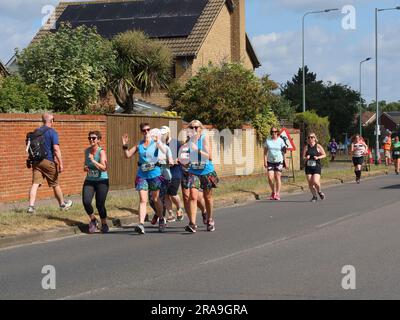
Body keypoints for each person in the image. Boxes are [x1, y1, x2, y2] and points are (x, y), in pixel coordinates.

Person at [122, 123, 166, 234]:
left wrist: (158, 142)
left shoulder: (155, 143)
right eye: (144, 130)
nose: (146, 132)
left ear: (150, 131)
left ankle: (161, 218)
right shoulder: (139, 145)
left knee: (156, 199)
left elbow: (164, 152)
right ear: (141, 132)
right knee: (143, 200)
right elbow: (127, 155)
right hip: (142, 175)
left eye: (148, 130)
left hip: (155, 175)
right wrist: (125, 146)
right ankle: (141, 224)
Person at [27, 113, 73, 214]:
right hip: (48, 161)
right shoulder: (52, 132)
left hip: (36, 162)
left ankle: (31, 207)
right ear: (51, 120)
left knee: (35, 184)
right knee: (55, 184)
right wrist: (61, 163)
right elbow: (56, 149)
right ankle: (62, 204)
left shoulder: (37, 131)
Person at [186, 120, 219, 233]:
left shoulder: (204, 138)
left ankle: (209, 219)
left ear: (200, 128)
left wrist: (197, 150)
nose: (194, 129)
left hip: (206, 171)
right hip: (194, 171)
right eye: (192, 127)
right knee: (192, 196)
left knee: (207, 197)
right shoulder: (189, 140)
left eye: (196, 127)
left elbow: (209, 157)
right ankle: (192, 223)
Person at [82, 131, 109, 233]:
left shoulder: (101, 152)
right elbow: (85, 165)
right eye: (89, 138)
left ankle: (104, 224)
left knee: (100, 204)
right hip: (90, 180)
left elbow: (104, 168)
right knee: (86, 202)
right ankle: (93, 220)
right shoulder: (87, 151)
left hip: (102, 181)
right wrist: (85, 168)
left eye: (93, 138)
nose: (91, 140)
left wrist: (93, 161)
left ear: (99, 140)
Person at [178, 134, 208, 225]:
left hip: (195, 173)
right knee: (186, 197)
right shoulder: (183, 147)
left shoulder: (198, 146)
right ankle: (192, 221)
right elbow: (181, 159)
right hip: (185, 173)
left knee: (197, 197)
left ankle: (204, 210)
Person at [264, 127, 286, 200]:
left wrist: (285, 161)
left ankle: (277, 193)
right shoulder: (268, 140)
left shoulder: (281, 141)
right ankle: (273, 192)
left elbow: (284, 152)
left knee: (277, 177)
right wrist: (265, 161)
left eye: (275, 131)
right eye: (272, 132)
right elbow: (265, 152)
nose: (274, 133)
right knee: (270, 178)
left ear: (277, 132)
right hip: (270, 161)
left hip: (279, 161)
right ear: (271, 132)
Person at [303, 133, 326, 202]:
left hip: (316, 166)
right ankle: (314, 196)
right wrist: (306, 157)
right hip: (308, 167)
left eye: (312, 137)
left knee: (316, 181)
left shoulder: (318, 146)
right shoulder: (306, 147)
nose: (310, 139)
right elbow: (303, 157)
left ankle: (319, 192)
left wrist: (318, 157)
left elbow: (324, 155)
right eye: (309, 137)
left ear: (315, 138)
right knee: (310, 183)